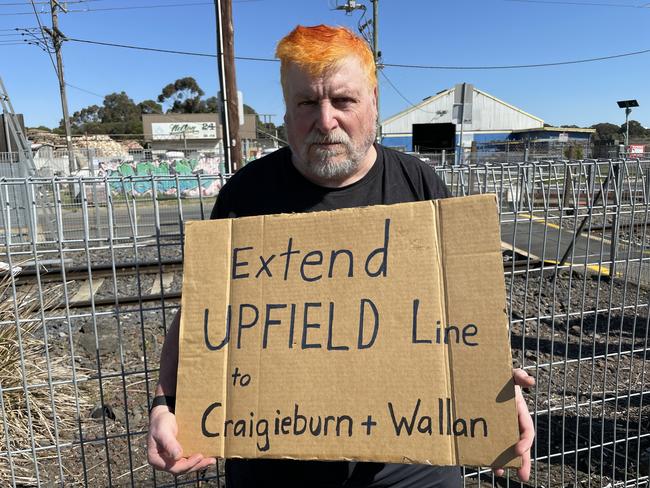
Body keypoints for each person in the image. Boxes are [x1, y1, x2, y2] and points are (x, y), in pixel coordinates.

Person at [147, 24, 535, 487]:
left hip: (413, 463)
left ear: (373, 103)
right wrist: (165, 405)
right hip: (276, 462)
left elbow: (462, 319)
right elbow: (200, 317)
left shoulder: (422, 188)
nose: (325, 120)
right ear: (287, 112)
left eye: (343, 101)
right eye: (307, 103)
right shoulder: (244, 196)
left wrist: (491, 387)